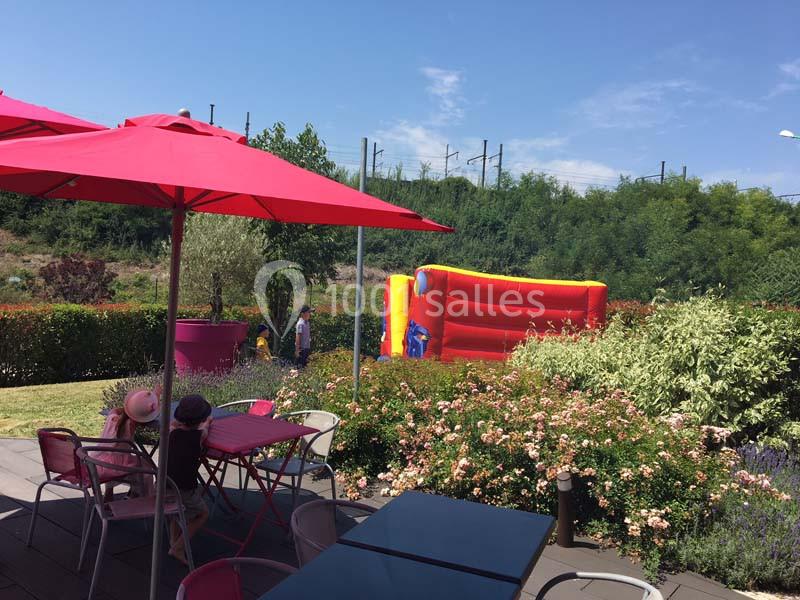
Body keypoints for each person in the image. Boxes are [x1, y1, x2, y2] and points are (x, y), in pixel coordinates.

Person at [167, 394, 213, 565]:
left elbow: (173, 424)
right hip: (183, 488)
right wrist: (207, 422)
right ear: (200, 419)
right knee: (202, 513)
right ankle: (178, 547)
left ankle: (173, 540)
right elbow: (206, 428)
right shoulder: (199, 436)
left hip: (164, 485)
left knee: (175, 509)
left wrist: (179, 424)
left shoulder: (172, 433)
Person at [96, 386, 160, 502]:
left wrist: (128, 408)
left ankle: (110, 494)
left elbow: (115, 409)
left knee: (138, 461)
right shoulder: (131, 424)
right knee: (149, 469)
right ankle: (145, 499)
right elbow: (147, 418)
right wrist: (155, 401)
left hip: (101, 462)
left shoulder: (113, 417)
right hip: (118, 466)